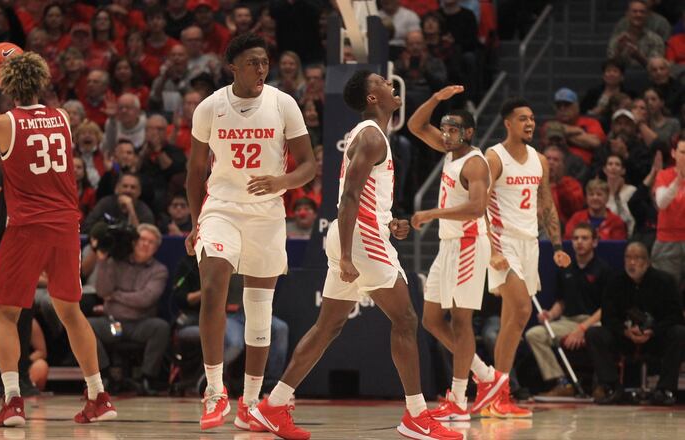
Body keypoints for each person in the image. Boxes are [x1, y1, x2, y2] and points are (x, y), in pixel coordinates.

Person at [250, 70, 462, 440]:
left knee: (327, 327)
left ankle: (274, 405)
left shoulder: (372, 135)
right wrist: (348, 254)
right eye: (382, 81)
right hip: (361, 240)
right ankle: (416, 415)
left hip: (362, 234)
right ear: (372, 98)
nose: (392, 83)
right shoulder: (370, 135)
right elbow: (349, 197)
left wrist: (389, 222)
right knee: (406, 319)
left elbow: (363, 197)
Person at [0, 50, 116, 426]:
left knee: (7, 314)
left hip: (26, 226)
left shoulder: (4, 123)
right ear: (41, 82)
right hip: (65, 226)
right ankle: (99, 395)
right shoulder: (62, 118)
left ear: (6, 85)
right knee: (70, 312)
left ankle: (13, 401)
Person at [185, 33, 315, 431]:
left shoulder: (283, 103)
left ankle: (252, 402)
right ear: (233, 68)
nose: (261, 69)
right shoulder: (210, 107)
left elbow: (308, 165)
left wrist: (282, 182)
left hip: (267, 214)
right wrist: (194, 223)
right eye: (253, 63)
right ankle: (214, 390)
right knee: (213, 287)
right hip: (221, 208)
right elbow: (194, 171)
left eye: (264, 63)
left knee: (260, 311)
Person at [481, 97, 572, 417]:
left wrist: (558, 247)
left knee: (513, 320)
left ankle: (496, 394)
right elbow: (481, 204)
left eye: (532, 118)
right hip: (502, 243)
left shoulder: (539, 160)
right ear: (508, 123)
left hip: (530, 243)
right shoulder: (494, 157)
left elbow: (547, 204)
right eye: (522, 118)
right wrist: (492, 249)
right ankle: (495, 391)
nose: (530, 123)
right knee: (521, 310)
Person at [407, 85, 492, 422]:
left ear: (468, 133)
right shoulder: (448, 152)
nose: (445, 134)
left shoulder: (474, 163)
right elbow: (414, 125)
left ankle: (458, 399)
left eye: (453, 129)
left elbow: (477, 207)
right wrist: (436, 100)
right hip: (449, 244)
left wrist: (432, 214)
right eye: (444, 128)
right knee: (430, 319)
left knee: (460, 322)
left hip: (469, 243)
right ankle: (485, 375)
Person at [586, 242, 685, 406]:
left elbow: (675, 316)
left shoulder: (665, 282)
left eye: (637, 258)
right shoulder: (614, 282)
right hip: (625, 338)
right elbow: (608, 318)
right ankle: (612, 387)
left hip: (655, 339)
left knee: (679, 332)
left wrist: (652, 331)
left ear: (647, 261)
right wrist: (625, 331)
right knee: (594, 334)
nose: (632, 262)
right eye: (628, 258)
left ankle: (664, 390)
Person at [526, 223, 611, 397]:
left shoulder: (603, 270)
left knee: (597, 335)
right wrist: (550, 314)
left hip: (595, 321)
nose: (579, 242)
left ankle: (601, 384)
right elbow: (562, 302)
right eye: (576, 238)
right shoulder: (565, 269)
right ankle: (562, 382)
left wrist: (582, 329)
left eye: (585, 238)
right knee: (534, 334)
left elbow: (606, 308)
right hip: (568, 321)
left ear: (594, 242)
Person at [90, 223, 170, 395]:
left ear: (156, 248)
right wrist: (103, 262)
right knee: (86, 327)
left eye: (151, 242)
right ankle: (104, 375)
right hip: (113, 324)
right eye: (142, 239)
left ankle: (147, 378)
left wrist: (115, 295)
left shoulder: (159, 270)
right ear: (133, 242)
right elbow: (103, 291)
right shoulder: (115, 261)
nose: (145, 244)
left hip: (140, 324)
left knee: (161, 327)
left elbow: (146, 299)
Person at [0, 316, 49, 392]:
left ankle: (27, 386)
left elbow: (41, 352)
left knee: (41, 366)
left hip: (24, 367)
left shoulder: (31, 322)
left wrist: (24, 361)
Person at [650, 139, 685, 290]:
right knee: (666, 290)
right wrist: (679, 180)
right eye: (683, 152)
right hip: (668, 240)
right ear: (674, 153)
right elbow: (661, 203)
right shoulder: (663, 175)